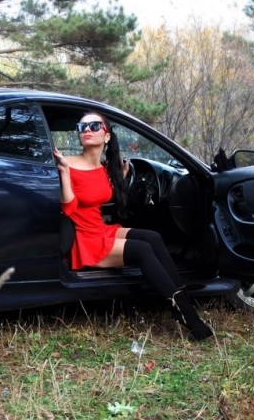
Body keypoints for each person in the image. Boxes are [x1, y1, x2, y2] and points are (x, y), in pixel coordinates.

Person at [54, 112, 213, 341]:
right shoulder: (68, 164)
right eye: (82, 126)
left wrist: (121, 177)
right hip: (86, 239)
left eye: (94, 125)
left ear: (107, 136)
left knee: (152, 237)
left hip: (100, 229)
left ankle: (182, 301)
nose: (87, 129)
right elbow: (69, 209)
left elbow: (104, 197)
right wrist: (64, 173)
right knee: (142, 249)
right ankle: (187, 315)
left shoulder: (105, 168)